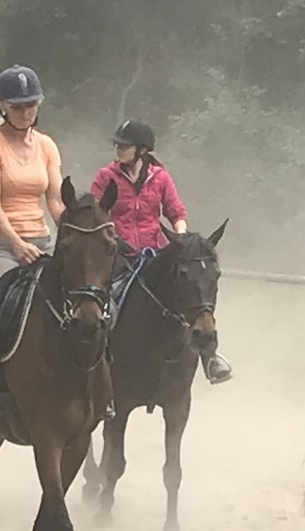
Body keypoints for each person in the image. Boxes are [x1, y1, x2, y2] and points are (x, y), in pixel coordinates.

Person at [0, 64, 64, 427]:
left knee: (88, 303)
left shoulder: (47, 145)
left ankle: (95, 381)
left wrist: (76, 228)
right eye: (17, 106)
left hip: (41, 239)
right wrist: (16, 244)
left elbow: (54, 201)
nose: (25, 112)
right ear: (3, 107)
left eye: (31, 105)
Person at [90, 119, 233, 385]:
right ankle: (97, 364)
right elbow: (96, 215)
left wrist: (180, 237)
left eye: (125, 146)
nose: (119, 149)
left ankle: (210, 358)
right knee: (104, 300)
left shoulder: (161, 178)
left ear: (142, 150)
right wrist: (112, 239)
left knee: (190, 291)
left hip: (155, 251)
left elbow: (176, 211)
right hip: (118, 254)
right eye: (118, 145)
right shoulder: (105, 177)